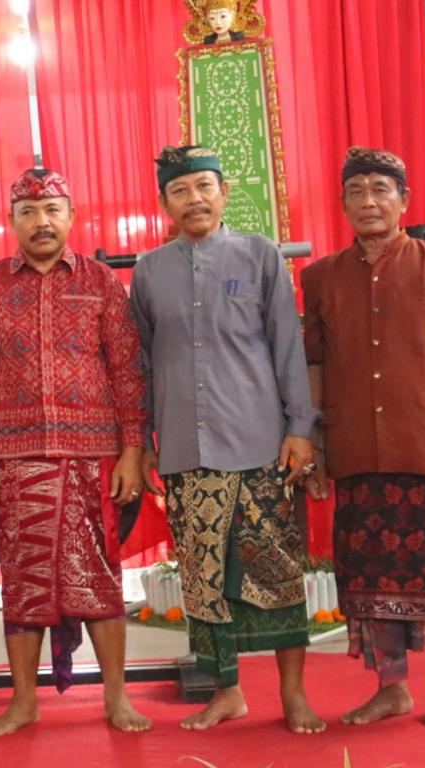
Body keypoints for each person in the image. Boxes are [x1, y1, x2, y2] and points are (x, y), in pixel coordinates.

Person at [131, 145, 323, 735]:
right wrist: (144, 441)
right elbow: (141, 365)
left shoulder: (261, 255)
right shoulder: (148, 271)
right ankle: (226, 693)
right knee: (202, 578)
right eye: (180, 190)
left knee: (277, 571)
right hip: (185, 451)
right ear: (164, 203)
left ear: (224, 192)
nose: (194, 199)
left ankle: (293, 694)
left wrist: (300, 428)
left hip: (259, 443)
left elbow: (288, 347)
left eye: (204, 187)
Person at [0, 167, 151, 736]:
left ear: (71, 216)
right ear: (11, 221)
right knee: (23, 583)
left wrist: (133, 451)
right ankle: (23, 701)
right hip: (15, 461)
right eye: (28, 213)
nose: (41, 222)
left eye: (52, 211)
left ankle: (117, 697)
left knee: (100, 575)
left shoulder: (101, 281)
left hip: (95, 457)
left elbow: (127, 372)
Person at [301, 147, 425, 730]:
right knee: (368, 577)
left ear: (404, 200)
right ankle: (391, 689)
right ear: (343, 204)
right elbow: (316, 365)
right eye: (356, 191)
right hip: (356, 447)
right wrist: (316, 445)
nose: (369, 201)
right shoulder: (320, 277)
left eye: (381, 189)